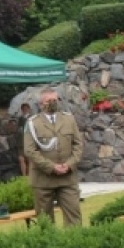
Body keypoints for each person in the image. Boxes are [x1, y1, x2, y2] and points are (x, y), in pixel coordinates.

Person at [24, 88, 83, 226]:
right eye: (49, 101)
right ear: (40, 104)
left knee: (74, 217)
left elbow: (78, 145)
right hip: (43, 179)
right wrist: (51, 167)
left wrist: (69, 164)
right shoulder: (33, 123)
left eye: (55, 100)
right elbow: (30, 150)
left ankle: (75, 244)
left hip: (67, 177)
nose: (53, 103)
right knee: (45, 221)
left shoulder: (69, 119)